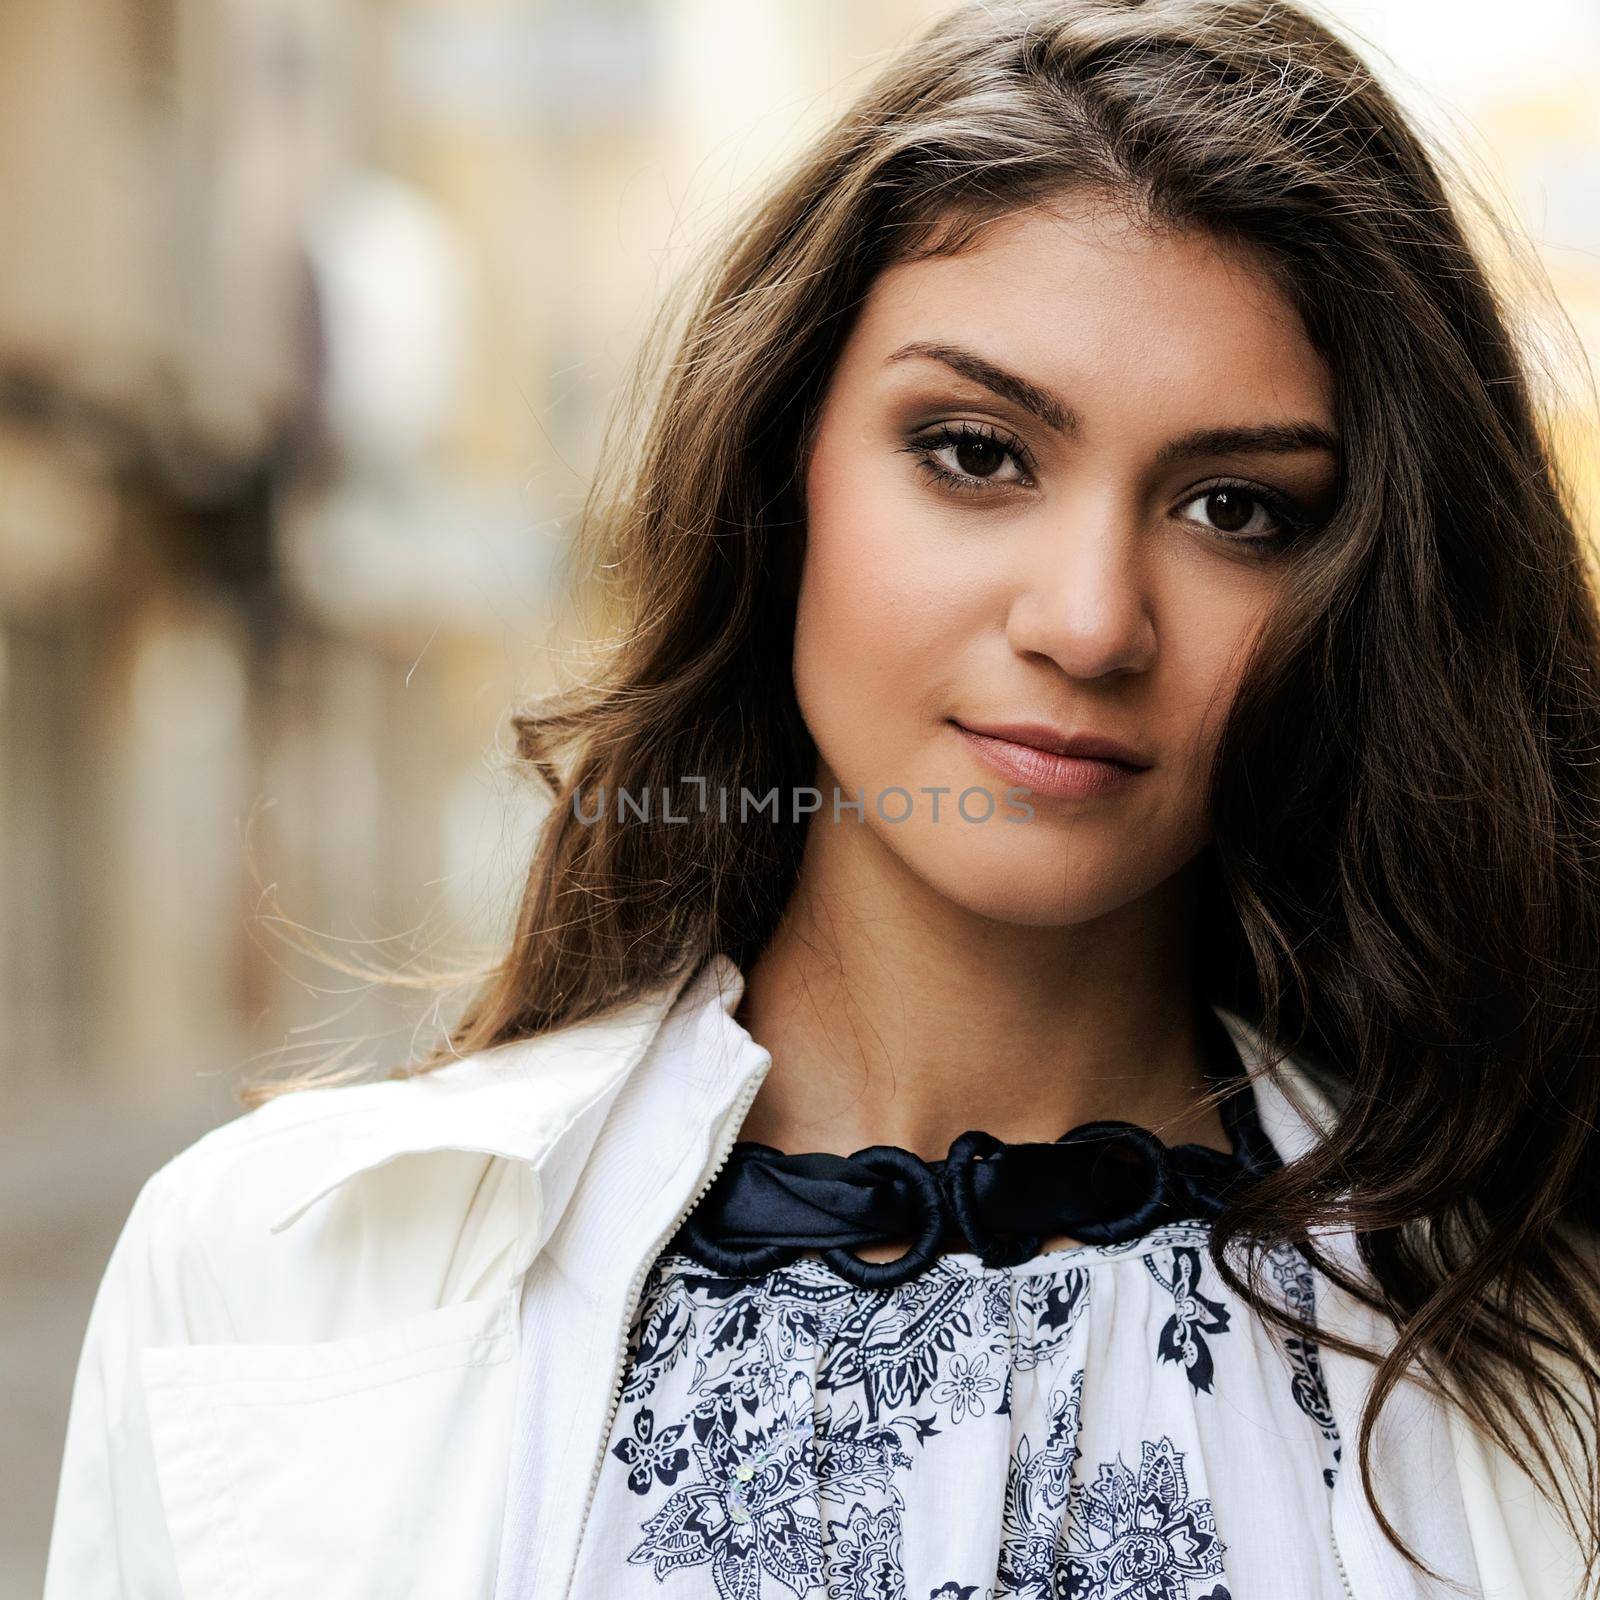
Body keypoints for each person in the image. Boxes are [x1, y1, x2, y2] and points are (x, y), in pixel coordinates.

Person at [43, 0, 1600, 1595]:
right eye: (977, 453)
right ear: (783, 480)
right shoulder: (272, 1275)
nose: (1087, 618)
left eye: (1235, 509)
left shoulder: (1541, 1326)